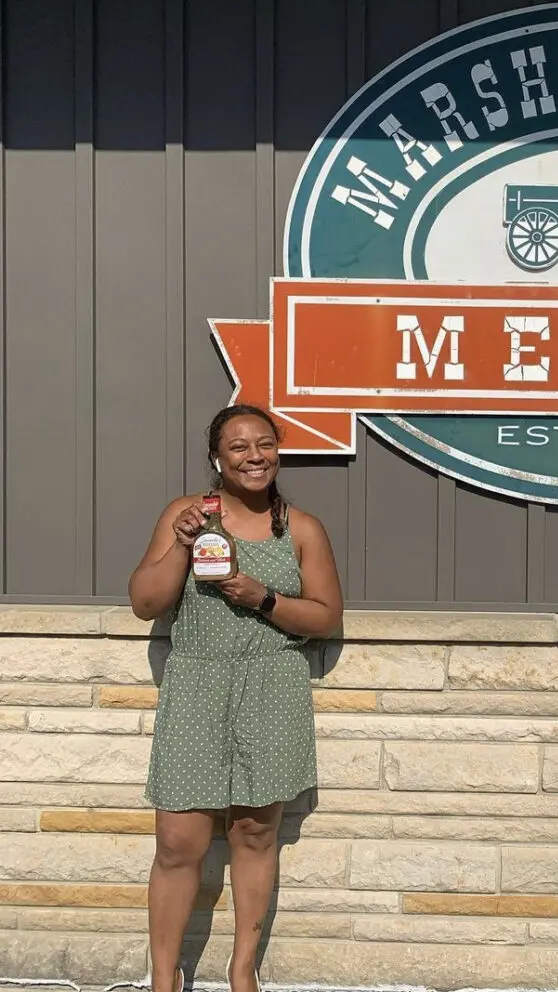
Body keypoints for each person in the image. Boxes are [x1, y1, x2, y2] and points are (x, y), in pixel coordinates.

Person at [128, 404, 343, 992]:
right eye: (240, 447)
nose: (255, 456)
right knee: (179, 841)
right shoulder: (187, 514)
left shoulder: (301, 528)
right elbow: (146, 603)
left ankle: (242, 969)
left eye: (265, 444)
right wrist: (182, 542)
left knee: (254, 832)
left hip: (272, 685)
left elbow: (326, 617)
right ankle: (164, 979)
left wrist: (262, 597)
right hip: (198, 682)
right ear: (217, 458)